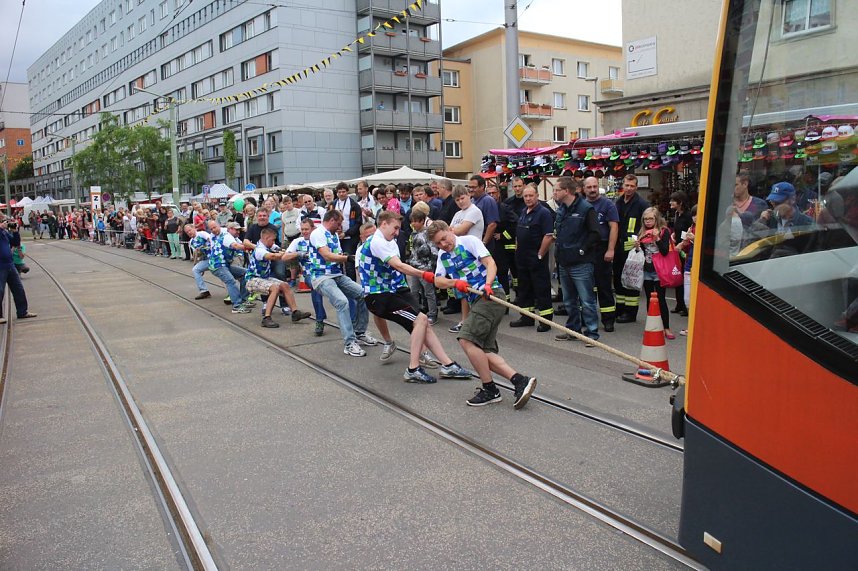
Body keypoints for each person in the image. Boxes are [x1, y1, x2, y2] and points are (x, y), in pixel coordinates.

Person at [425, 221, 537, 409]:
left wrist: (488, 283)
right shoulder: (443, 256)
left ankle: (490, 389)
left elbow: (490, 263)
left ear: (450, 231)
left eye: (444, 239)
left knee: (466, 339)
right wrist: (454, 284)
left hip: (490, 295)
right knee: (483, 352)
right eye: (438, 243)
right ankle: (520, 381)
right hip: (474, 301)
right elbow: (438, 280)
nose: (443, 245)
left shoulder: (469, 242)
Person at [358, 211, 473, 383]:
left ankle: (448, 365)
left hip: (395, 290)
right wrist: (425, 275)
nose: (397, 232)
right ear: (383, 224)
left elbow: (398, 267)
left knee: (423, 321)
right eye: (395, 228)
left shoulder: (389, 241)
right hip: (379, 296)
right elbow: (399, 266)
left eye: (398, 229)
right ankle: (413, 369)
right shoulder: (377, 242)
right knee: (420, 320)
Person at [306, 210, 378, 357]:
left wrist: (345, 256)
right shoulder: (318, 233)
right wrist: (348, 258)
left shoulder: (334, 236)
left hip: (336, 274)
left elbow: (337, 255)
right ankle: (349, 343)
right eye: (338, 224)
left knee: (363, 294)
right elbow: (326, 255)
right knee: (342, 302)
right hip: (321, 277)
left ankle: (359, 332)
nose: (340, 227)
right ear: (331, 220)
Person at [552, 177, 601, 345]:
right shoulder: (561, 209)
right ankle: (573, 330)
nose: (554, 193)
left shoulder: (586, 209)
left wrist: (582, 249)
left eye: (557, 190)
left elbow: (595, 233)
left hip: (581, 262)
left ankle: (592, 333)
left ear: (567, 191)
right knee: (568, 300)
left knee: (587, 300)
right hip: (564, 262)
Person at [246, 226, 312, 328]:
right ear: (266, 238)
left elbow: (279, 250)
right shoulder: (259, 249)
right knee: (275, 288)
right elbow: (272, 256)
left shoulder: (269, 246)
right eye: (272, 240)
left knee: (284, 285)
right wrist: (296, 254)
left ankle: (295, 313)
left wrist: (284, 252)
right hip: (253, 279)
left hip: (264, 277)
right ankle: (266, 318)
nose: (273, 242)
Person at [511, 185, 555, 332]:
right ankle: (526, 317)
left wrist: (540, 254)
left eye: (531, 196)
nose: (528, 199)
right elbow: (519, 234)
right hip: (522, 258)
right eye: (526, 196)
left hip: (536, 258)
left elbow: (548, 236)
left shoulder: (543, 213)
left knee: (541, 289)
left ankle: (545, 321)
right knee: (524, 289)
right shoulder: (524, 211)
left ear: (537, 195)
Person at [583, 176, 619, 331]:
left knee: (604, 285)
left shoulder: (608, 205)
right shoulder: (581, 205)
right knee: (586, 287)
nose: (592, 190)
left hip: (602, 248)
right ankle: (588, 319)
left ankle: (608, 319)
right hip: (585, 249)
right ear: (584, 189)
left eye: (595, 186)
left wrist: (611, 249)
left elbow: (614, 227)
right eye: (589, 187)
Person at [614, 174, 650, 323]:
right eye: (626, 185)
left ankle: (630, 312)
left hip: (633, 249)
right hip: (618, 247)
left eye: (632, 186)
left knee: (630, 280)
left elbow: (648, 224)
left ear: (636, 187)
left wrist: (641, 241)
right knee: (618, 279)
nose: (628, 188)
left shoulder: (642, 204)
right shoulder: (618, 202)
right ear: (623, 185)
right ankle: (620, 308)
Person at [287, 219, 332, 337]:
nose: (304, 232)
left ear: (313, 229)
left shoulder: (320, 239)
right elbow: (285, 257)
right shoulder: (298, 241)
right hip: (309, 274)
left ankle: (353, 322)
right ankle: (319, 320)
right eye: (302, 229)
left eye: (307, 229)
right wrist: (298, 254)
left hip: (327, 271)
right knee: (315, 287)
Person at [636, 207, 674, 339]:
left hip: (659, 270)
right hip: (647, 269)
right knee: (649, 300)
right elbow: (640, 252)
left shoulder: (664, 231)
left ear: (656, 219)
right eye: (645, 219)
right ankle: (652, 327)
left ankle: (666, 327)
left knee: (661, 299)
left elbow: (664, 251)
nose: (648, 221)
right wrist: (637, 246)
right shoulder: (642, 232)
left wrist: (656, 238)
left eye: (651, 218)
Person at [0, 214, 36, 323]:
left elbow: (15, 243)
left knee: (18, 288)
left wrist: (15, 231)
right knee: (0, 290)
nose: (5, 222)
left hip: (10, 264)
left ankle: (22, 312)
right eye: (3, 220)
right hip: (1, 266)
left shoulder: (5, 232)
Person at [407, 209, 439, 325]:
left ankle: (432, 314)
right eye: (412, 221)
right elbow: (412, 250)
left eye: (416, 221)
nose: (413, 224)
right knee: (414, 291)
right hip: (415, 267)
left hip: (425, 267)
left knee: (429, 292)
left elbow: (434, 251)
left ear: (422, 221)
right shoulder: (413, 234)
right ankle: (416, 312)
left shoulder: (427, 234)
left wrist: (431, 266)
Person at [669, 191, 693, 316]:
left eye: (673, 200)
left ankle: (685, 306)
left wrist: (682, 244)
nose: (670, 203)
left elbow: (689, 232)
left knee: (684, 277)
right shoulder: (677, 214)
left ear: (680, 202)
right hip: (677, 248)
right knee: (677, 276)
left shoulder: (688, 216)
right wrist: (673, 234)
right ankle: (679, 304)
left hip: (685, 250)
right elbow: (677, 229)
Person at [333, 182, 363, 280]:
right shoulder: (333, 204)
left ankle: (352, 285)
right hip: (336, 237)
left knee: (349, 263)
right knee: (337, 262)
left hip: (349, 238)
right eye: (339, 192)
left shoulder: (354, 205)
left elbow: (358, 223)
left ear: (347, 192)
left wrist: (346, 233)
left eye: (344, 192)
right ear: (337, 193)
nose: (342, 194)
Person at [676, 205, 697, 336]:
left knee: (691, 299)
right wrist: (683, 243)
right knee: (688, 299)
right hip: (689, 265)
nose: (695, 217)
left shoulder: (705, 229)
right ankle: (692, 325)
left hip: (697, 267)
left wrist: (694, 238)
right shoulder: (692, 228)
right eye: (694, 214)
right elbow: (686, 246)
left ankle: (694, 326)